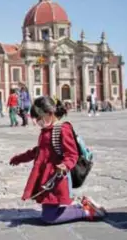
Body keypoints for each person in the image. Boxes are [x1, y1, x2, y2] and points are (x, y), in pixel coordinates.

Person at [9, 96, 106, 224]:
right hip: (46, 178)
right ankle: (83, 207)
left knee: (49, 217)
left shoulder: (62, 129)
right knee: (48, 213)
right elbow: (39, 151)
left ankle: (86, 210)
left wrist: (65, 165)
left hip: (56, 179)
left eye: (39, 118)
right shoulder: (45, 130)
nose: (37, 122)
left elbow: (72, 154)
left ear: (50, 113)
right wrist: (20, 158)